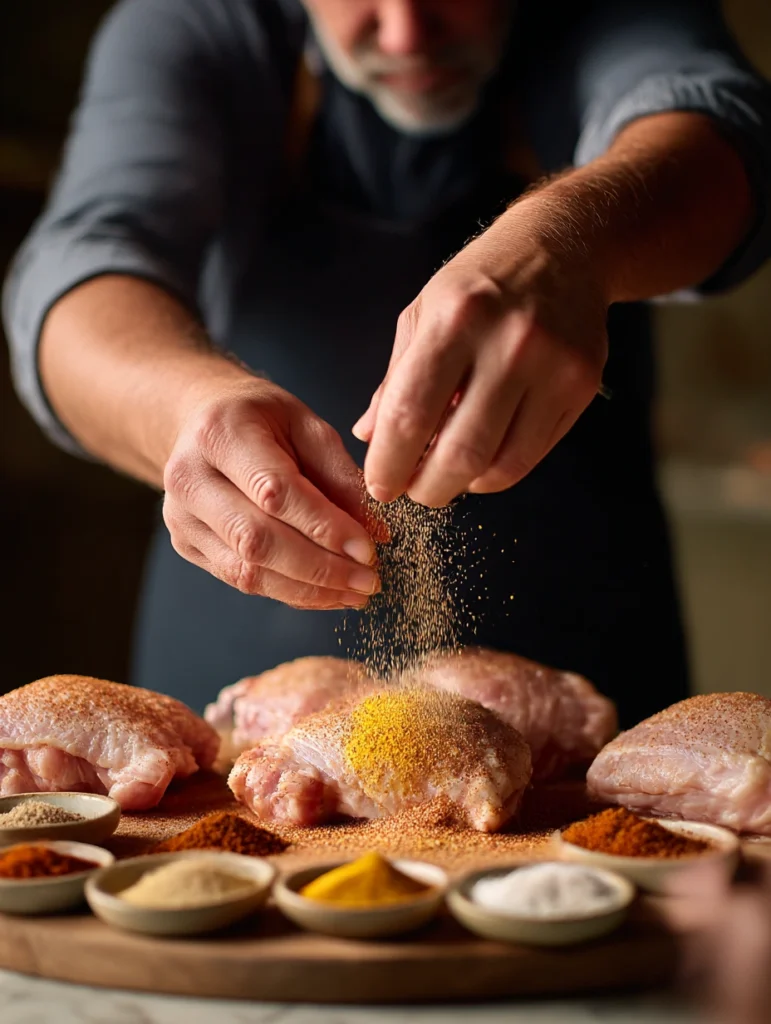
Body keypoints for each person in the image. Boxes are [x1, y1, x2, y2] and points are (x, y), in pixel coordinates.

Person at [3, 0, 770, 720]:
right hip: (239, 689)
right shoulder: (198, 26)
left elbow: (723, 135)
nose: (405, 34)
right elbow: (80, 266)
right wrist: (182, 407)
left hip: (585, 680)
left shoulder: (596, 11)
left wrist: (570, 244)